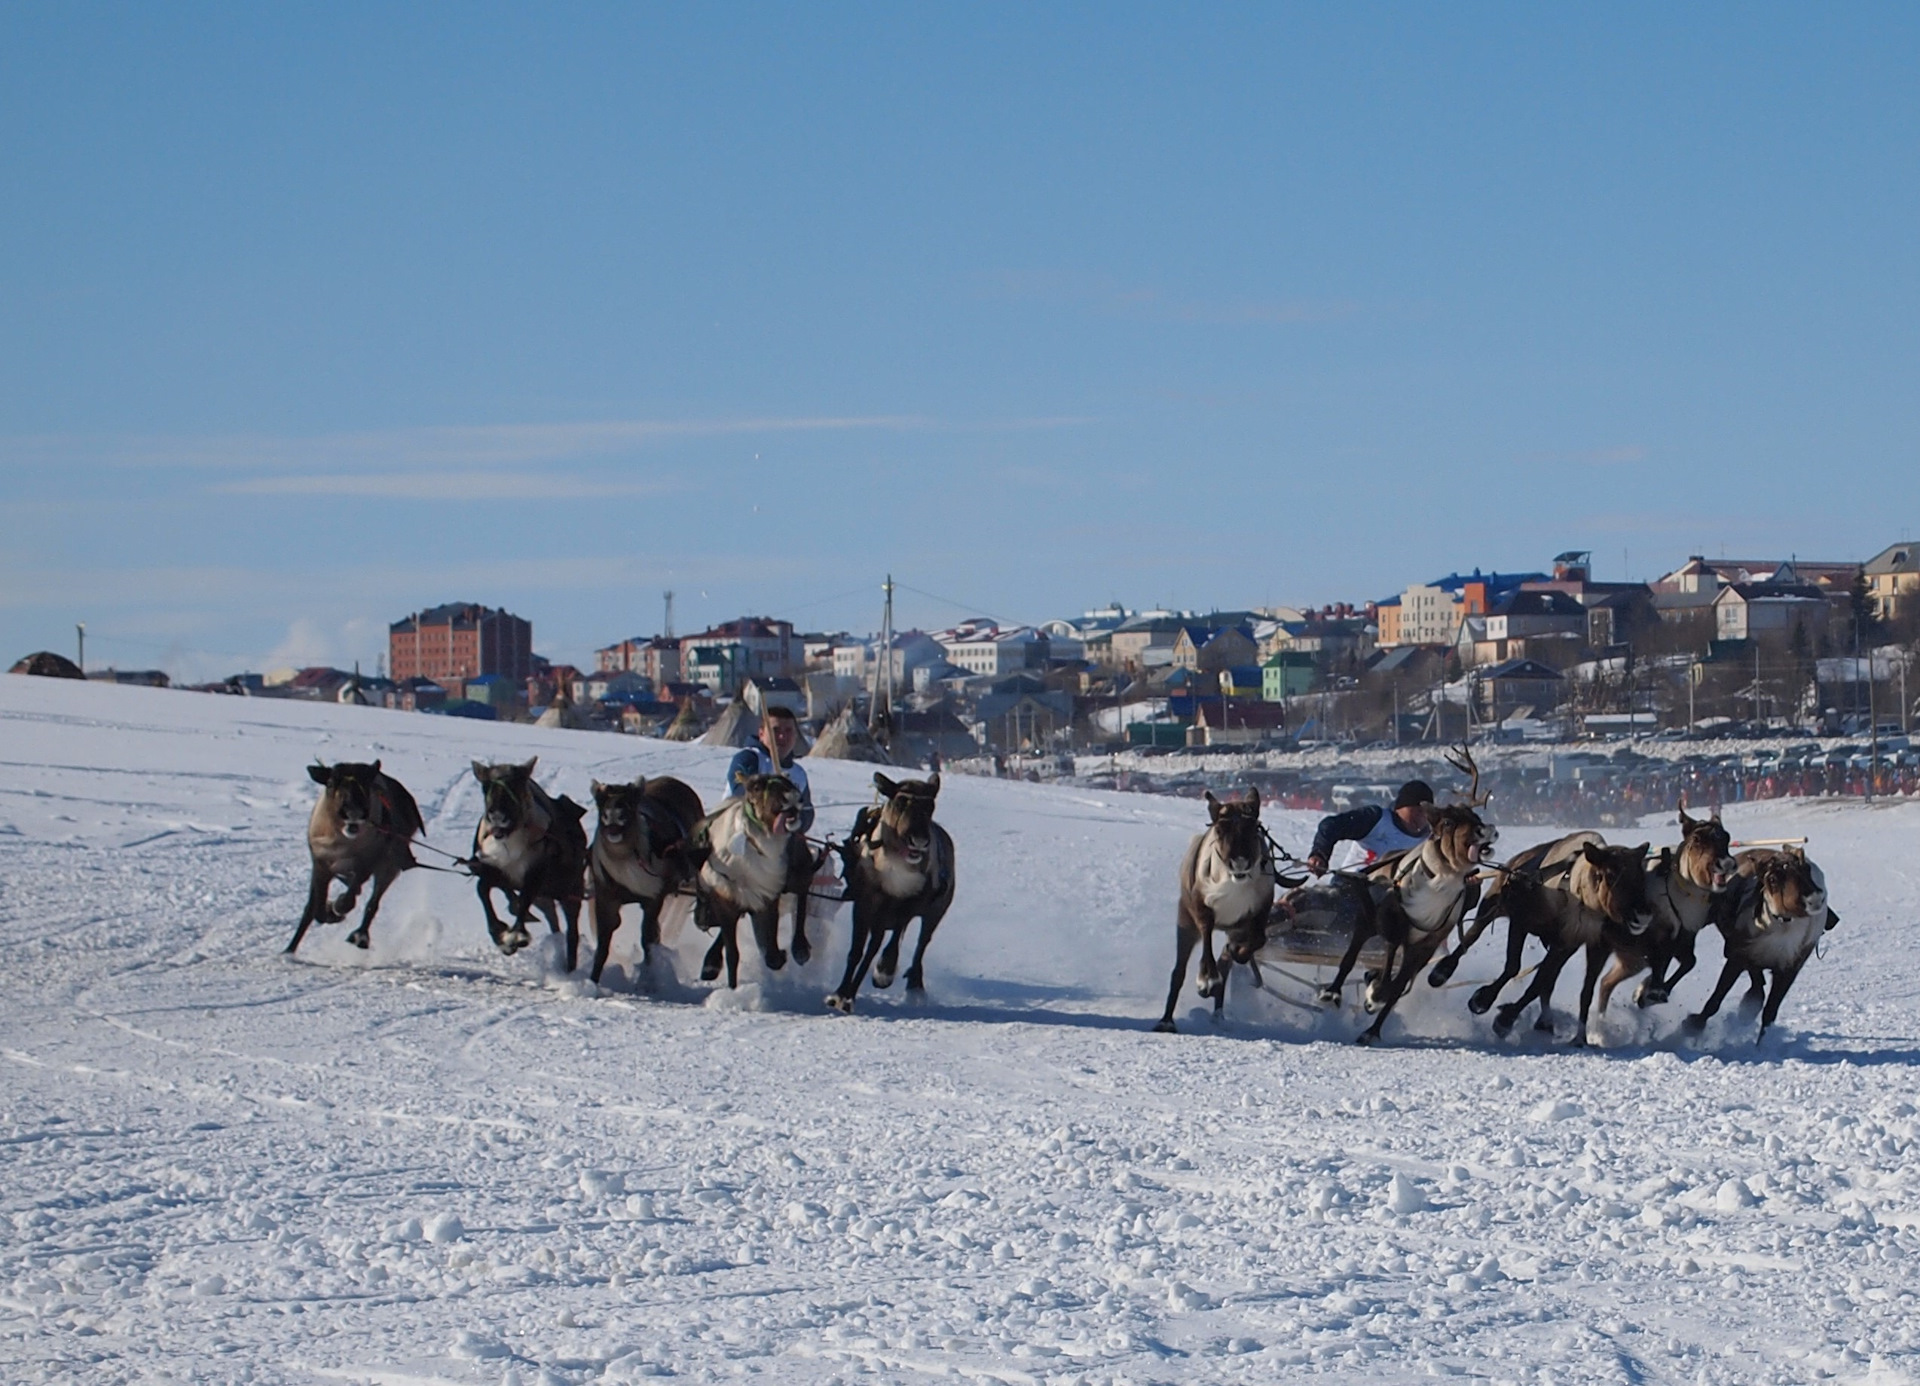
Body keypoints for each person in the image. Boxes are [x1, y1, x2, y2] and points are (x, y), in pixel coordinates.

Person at [1305, 779, 1433, 876]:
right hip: (1354, 886)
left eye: (1424, 812)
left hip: (1398, 897)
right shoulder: (1376, 819)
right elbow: (1331, 826)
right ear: (1400, 807)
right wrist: (1319, 854)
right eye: (1415, 810)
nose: (1420, 816)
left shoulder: (1431, 838)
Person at [724, 704, 815, 833]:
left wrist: (797, 823)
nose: (782, 737)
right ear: (761, 734)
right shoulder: (749, 758)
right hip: (740, 833)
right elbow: (741, 792)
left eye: (788, 731)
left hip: (778, 842)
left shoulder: (798, 774)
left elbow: (807, 811)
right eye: (775, 731)